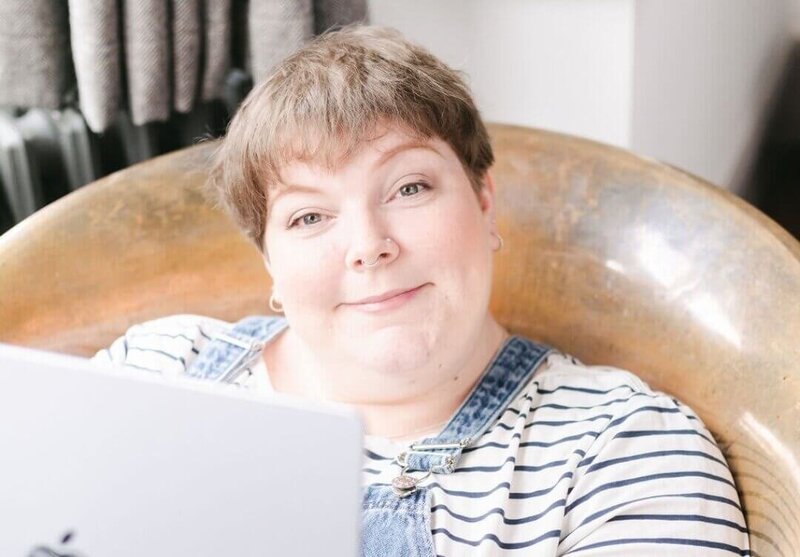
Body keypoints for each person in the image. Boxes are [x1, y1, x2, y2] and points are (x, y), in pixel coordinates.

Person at [93, 25, 750, 556]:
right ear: (269, 261)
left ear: (485, 204)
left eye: (409, 187)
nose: (367, 244)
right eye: (309, 217)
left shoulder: (621, 451)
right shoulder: (152, 368)